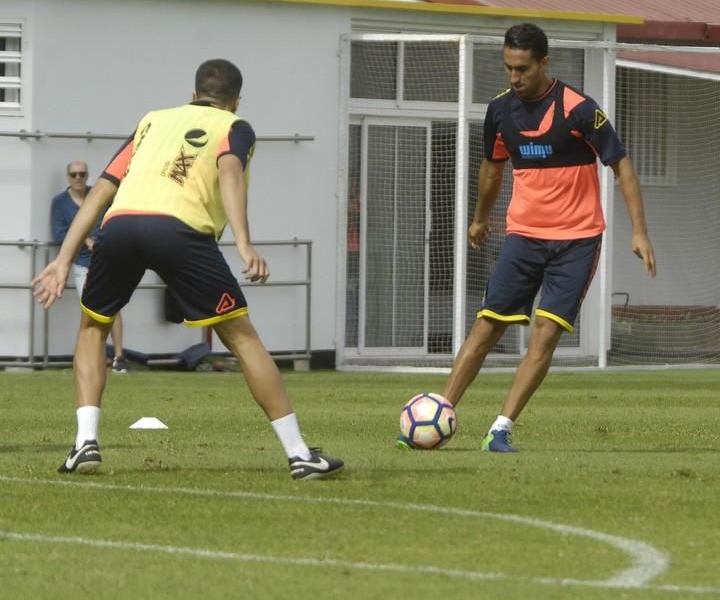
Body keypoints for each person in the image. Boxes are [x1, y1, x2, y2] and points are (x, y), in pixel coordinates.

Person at [33, 58, 344, 480]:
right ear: (235, 101)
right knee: (241, 336)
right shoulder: (236, 127)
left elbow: (103, 188)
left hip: (121, 225)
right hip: (180, 230)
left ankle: (85, 443)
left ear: (191, 94)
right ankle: (299, 454)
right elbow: (230, 169)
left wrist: (62, 258)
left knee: (93, 326)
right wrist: (245, 242)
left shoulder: (151, 121)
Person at [397, 23, 656, 452]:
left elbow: (621, 165)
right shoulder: (499, 111)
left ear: (543, 63)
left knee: (545, 334)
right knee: (485, 328)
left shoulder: (579, 109)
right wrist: (480, 219)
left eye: (522, 68)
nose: (514, 77)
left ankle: (499, 429)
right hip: (524, 238)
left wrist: (640, 232)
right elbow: (492, 168)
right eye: (508, 68)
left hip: (576, 241)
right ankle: (438, 414)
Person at [51, 161, 128, 373]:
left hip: (107, 261)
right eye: (74, 174)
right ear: (68, 177)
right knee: (91, 311)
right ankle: (93, 358)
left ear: (87, 176)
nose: (78, 178)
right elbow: (59, 233)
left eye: (82, 174)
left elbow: (113, 220)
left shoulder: (99, 196)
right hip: (82, 264)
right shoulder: (60, 203)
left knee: (114, 308)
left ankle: (119, 357)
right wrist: (85, 240)